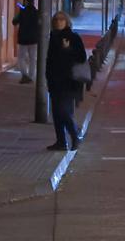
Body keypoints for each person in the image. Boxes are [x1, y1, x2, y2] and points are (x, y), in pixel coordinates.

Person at [45, 11, 86, 151]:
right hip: (55, 82)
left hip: (69, 82)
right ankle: (61, 141)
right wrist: (48, 77)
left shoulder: (73, 38)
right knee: (56, 113)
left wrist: (68, 50)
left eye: (61, 19)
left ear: (67, 21)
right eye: (56, 19)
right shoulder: (53, 37)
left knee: (63, 111)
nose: (58, 22)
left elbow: (81, 58)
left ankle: (75, 135)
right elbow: (50, 61)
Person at [12, 0, 39, 83]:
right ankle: (31, 76)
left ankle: (24, 74)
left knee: (21, 58)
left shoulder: (22, 12)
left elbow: (14, 21)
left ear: (26, 2)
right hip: (34, 39)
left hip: (23, 39)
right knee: (32, 58)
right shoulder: (37, 12)